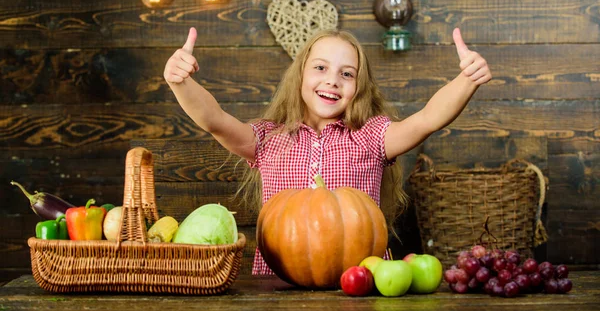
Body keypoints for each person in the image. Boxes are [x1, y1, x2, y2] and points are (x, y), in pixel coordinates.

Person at [163, 27, 492, 275]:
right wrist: (181, 82)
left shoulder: (371, 136)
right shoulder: (267, 139)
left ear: (358, 87)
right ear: (300, 76)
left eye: (346, 74)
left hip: (362, 281)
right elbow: (214, 121)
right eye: (320, 68)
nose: (332, 80)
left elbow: (427, 120)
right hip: (279, 288)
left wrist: (466, 80)